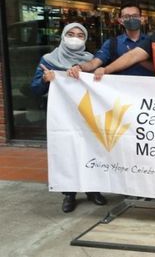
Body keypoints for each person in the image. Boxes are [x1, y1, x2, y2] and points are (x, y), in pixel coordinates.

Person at [30, 22, 107, 213]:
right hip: (61, 115)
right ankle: (69, 194)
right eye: (70, 34)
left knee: (91, 150)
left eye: (80, 35)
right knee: (66, 151)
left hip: (86, 114)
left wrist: (99, 72)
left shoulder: (90, 61)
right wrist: (45, 80)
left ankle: (92, 190)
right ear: (63, 36)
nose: (75, 38)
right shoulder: (49, 60)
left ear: (85, 39)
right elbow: (35, 89)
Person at [67, 1, 154, 79]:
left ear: (142, 19)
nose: (131, 19)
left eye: (135, 16)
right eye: (126, 17)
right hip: (119, 89)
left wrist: (138, 58)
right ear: (120, 20)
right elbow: (94, 63)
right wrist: (79, 67)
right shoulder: (113, 43)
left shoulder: (153, 42)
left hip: (148, 89)